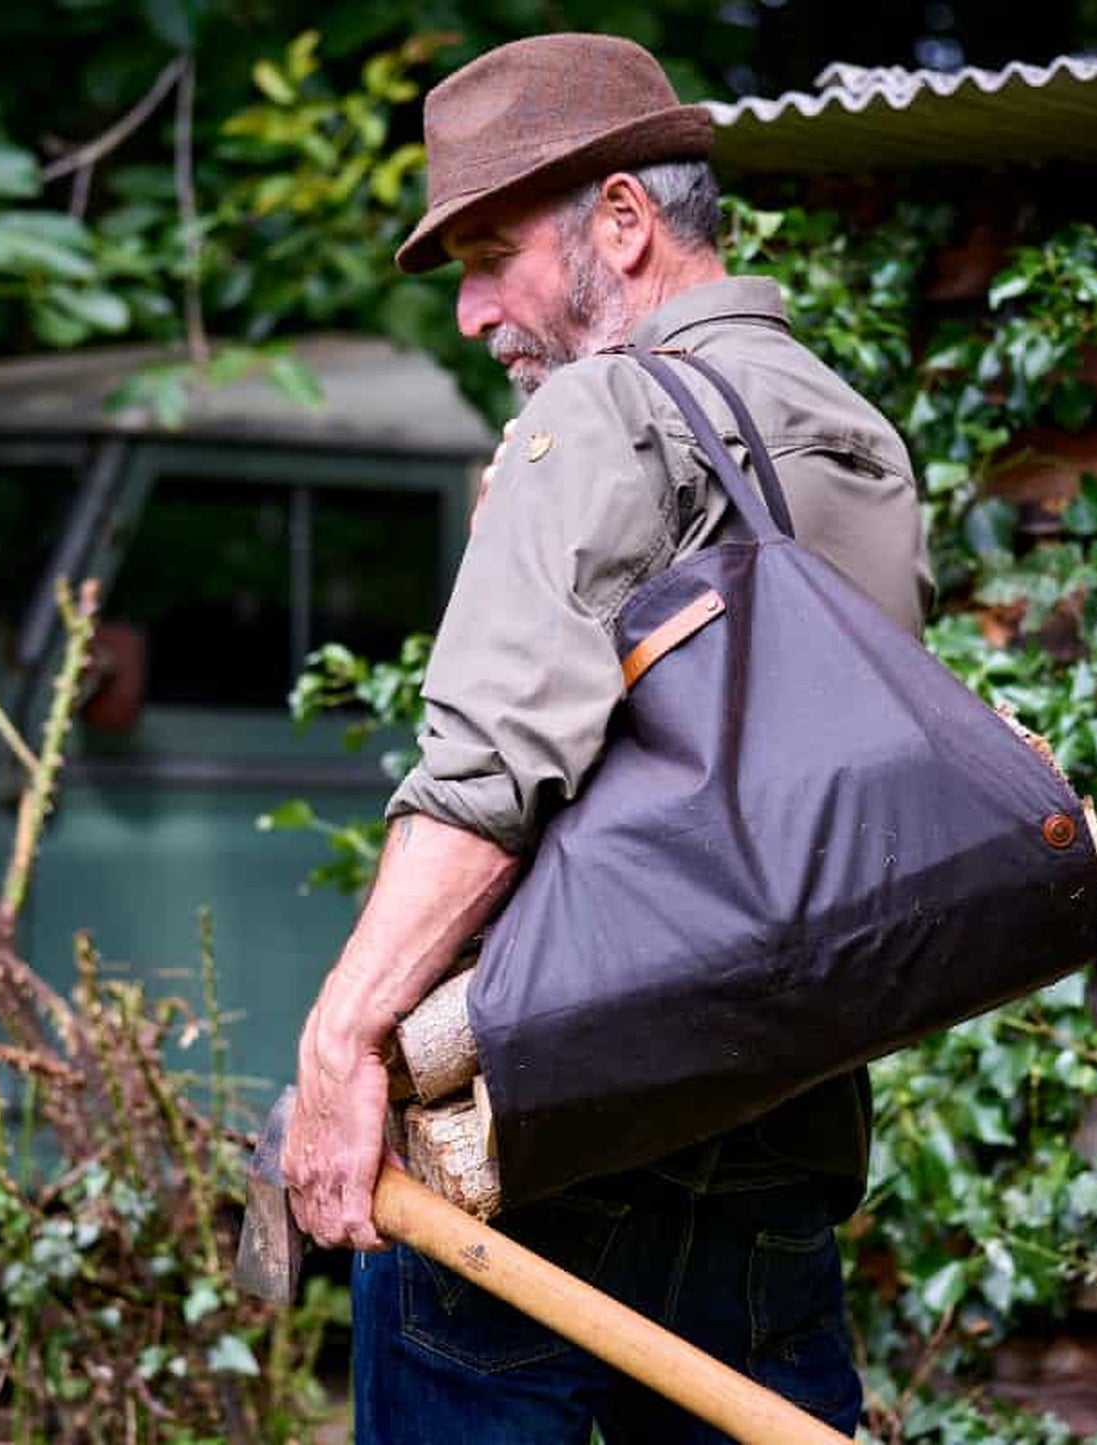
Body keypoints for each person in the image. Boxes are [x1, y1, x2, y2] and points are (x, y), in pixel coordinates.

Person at [283, 31, 933, 1444]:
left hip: (539, 1165)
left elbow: (484, 781)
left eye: (488, 253)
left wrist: (341, 1044)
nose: (467, 311)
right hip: (771, 1167)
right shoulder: (852, 431)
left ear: (623, 223)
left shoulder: (598, 416)